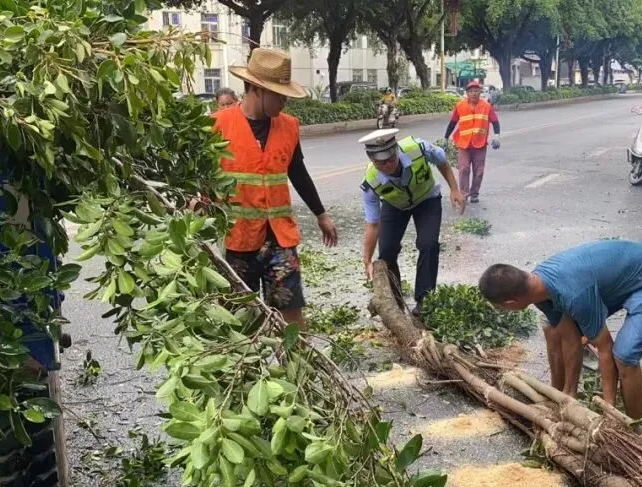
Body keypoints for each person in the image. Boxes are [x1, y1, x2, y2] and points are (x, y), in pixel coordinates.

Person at [478, 240, 642, 420]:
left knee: (624, 356)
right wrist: (569, 396)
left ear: (512, 302)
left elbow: (605, 348)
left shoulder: (574, 295)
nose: (504, 311)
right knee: (551, 328)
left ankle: (633, 426)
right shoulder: (536, 288)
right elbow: (570, 338)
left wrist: (607, 406)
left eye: (502, 307)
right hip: (618, 280)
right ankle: (559, 393)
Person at [213, 48, 338, 328]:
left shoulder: (289, 126)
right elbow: (201, 176)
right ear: (257, 88)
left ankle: (296, 369)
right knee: (239, 318)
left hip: (280, 239)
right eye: (279, 94)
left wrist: (321, 214)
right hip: (238, 240)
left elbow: (297, 172)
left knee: (291, 313)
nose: (284, 101)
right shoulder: (218, 126)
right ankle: (244, 371)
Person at [359, 128, 466, 315]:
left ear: (397, 151)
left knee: (428, 244)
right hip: (395, 206)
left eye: (391, 159)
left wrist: (454, 189)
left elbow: (442, 161)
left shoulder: (418, 148)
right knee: (386, 253)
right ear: (372, 160)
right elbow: (373, 224)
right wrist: (367, 259)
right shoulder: (371, 183)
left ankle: (425, 300)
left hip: (427, 199)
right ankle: (396, 302)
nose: (387, 166)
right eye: (380, 163)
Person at [443, 80, 500, 204]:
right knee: (464, 169)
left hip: (480, 144)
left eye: (476, 91)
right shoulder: (460, 106)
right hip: (464, 144)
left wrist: (497, 136)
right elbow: (453, 123)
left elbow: (495, 121)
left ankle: (474, 193)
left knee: (479, 171)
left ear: (480, 92)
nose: (473, 93)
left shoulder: (486, 106)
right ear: (467, 93)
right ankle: (464, 194)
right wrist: (446, 138)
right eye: (471, 91)